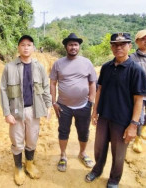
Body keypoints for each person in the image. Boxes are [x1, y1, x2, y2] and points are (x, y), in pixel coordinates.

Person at [85, 33, 146, 188]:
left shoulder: (136, 70)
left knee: (118, 153)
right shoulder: (106, 67)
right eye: (115, 45)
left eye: (122, 44)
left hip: (123, 119)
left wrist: (133, 124)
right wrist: (95, 111)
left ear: (129, 47)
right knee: (99, 147)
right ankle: (97, 170)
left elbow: (138, 99)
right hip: (104, 116)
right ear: (111, 47)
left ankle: (114, 180)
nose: (118, 48)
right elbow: (100, 90)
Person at [0, 35, 52, 185]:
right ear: (18, 47)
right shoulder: (9, 67)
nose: (26, 47)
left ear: (33, 48)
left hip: (34, 110)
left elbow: (45, 86)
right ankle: (18, 168)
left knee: (32, 139)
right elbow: (3, 90)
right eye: (23, 45)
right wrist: (6, 113)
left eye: (29, 45)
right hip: (16, 111)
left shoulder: (39, 67)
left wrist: (48, 105)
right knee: (17, 141)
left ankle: (29, 163)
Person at [50, 33, 97, 172]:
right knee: (63, 131)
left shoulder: (87, 62)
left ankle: (82, 153)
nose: (73, 47)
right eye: (70, 44)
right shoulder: (58, 63)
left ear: (79, 47)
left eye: (75, 44)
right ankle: (63, 155)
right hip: (63, 106)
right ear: (66, 47)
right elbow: (53, 83)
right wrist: (54, 102)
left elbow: (92, 82)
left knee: (83, 132)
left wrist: (91, 101)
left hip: (84, 105)